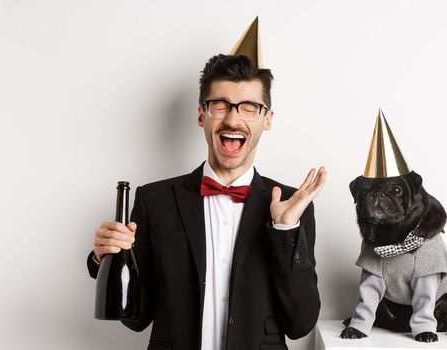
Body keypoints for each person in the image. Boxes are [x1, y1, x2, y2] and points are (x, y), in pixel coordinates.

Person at [86, 52, 325, 350]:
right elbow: (137, 318)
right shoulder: (153, 200)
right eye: (220, 105)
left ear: (268, 119)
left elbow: (300, 324)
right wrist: (105, 257)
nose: (233, 119)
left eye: (249, 107)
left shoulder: (293, 205)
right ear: (202, 114)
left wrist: (285, 231)